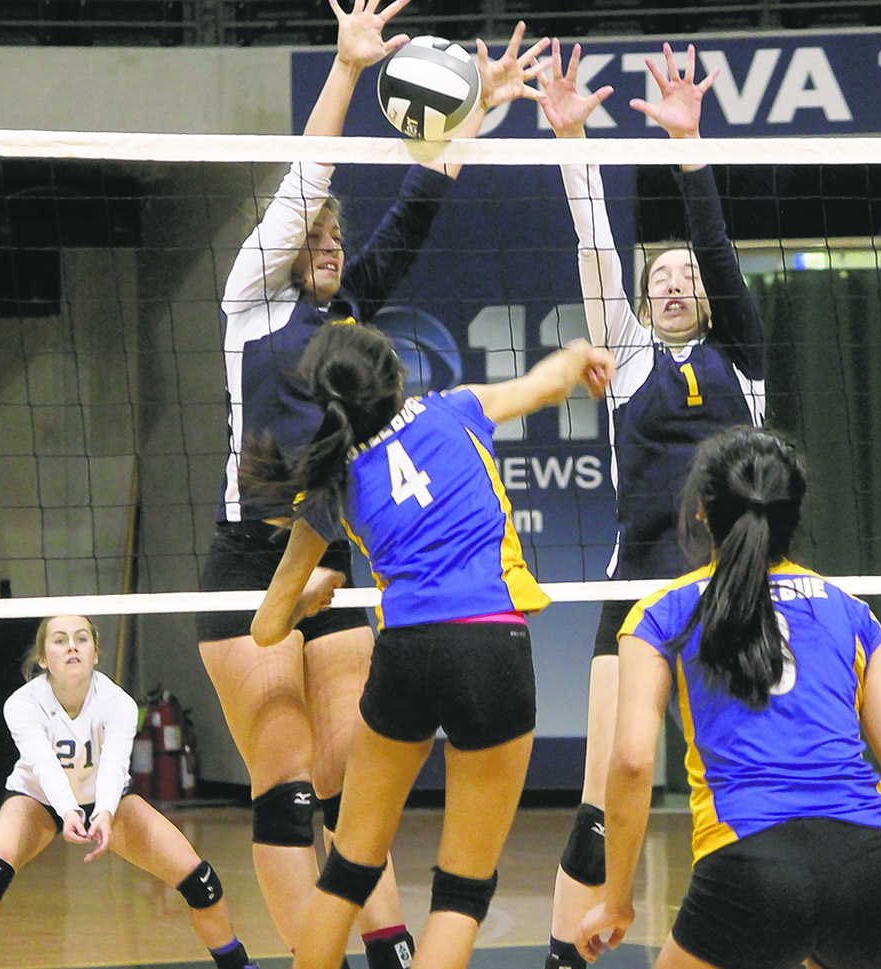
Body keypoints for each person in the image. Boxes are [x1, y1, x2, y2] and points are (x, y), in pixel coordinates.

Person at [196, 0, 547, 961]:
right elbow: (310, 175)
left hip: (334, 554)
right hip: (249, 560)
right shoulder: (248, 307)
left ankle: (386, 948)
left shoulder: (347, 314)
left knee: (357, 789)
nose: (331, 250)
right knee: (287, 787)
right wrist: (349, 68)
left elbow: (420, 201)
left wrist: (476, 108)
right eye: (315, 240)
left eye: (334, 242)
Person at [239, 323, 615, 969]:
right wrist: (581, 354)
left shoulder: (333, 485)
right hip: (492, 647)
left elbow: (267, 628)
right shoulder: (455, 408)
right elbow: (546, 382)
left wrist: (312, 594)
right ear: (394, 377)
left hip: (406, 654)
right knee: (462, 886)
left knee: (348, 869)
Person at [536, 40, 767, 969]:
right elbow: (595, 244)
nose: (674, 283)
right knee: (599, 792)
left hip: (728, 591)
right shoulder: (624, 358)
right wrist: (570, 142)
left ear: (706, 303)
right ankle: (563, 954)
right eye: (659, 278)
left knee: (745, 783)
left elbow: (713, 245)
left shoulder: (740, 363)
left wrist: (689, 146)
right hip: (634, 587)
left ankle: (760, 938)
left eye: (687, 280)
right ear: (642, 301)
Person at [575, 425, 881, 969]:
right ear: (793, 512)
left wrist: (616, 900)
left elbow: (631, 761)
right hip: (867, 863)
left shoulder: (661, 614)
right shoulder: (852, 612)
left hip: (748, 863)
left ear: (699, 510)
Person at [0, 616, 260, 969]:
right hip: (38, 800)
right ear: (43, 658)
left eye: (81, 639)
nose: (72, 647)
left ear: (95, 653)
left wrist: (105, 812)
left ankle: (238, 966)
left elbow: (114, 766)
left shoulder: (117, 702)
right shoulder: (22, 704)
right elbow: (45, 765)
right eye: (60, 640)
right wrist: (68, 811)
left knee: (201, 882)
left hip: (109, 800)